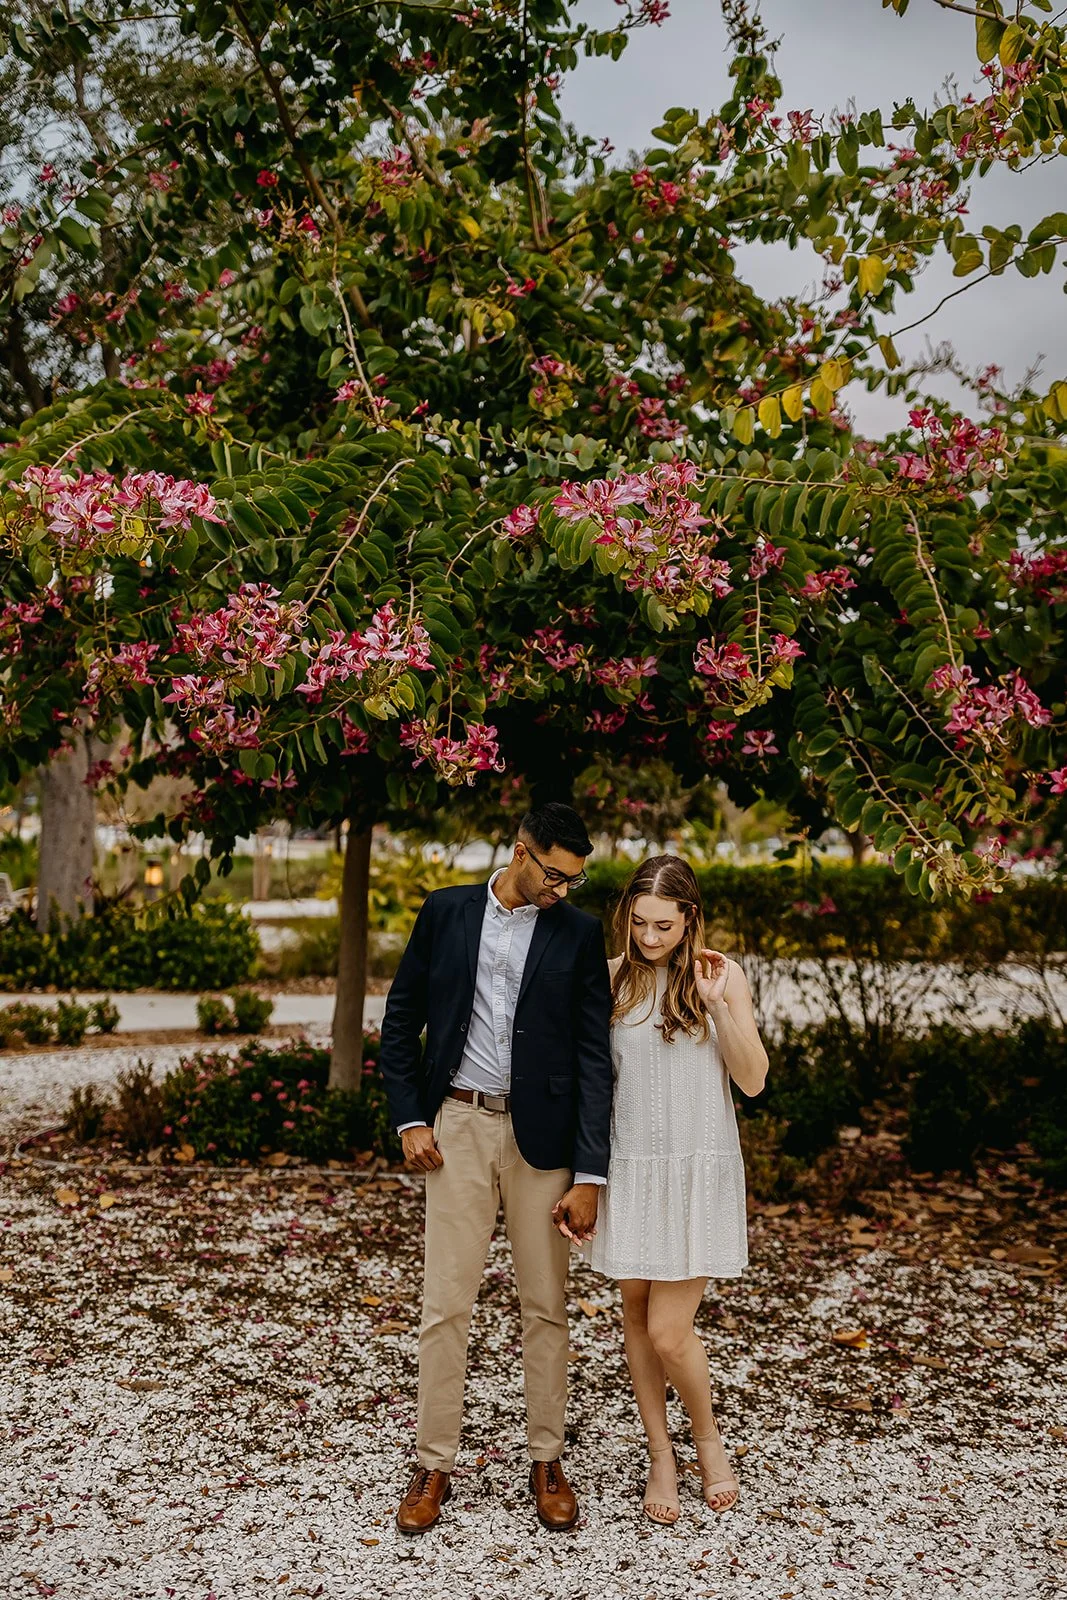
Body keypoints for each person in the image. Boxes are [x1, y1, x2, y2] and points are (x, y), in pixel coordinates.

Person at [378, 802, 613, 1535]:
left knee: (545, 1306)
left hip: (543, 1142)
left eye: (573, 880)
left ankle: (547, 1459)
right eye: (552, 874)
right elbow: (399, 1019)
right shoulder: (444, 913)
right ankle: (432, 1465)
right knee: (445, 1303)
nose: (561, 891)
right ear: (519, 851)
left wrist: (589, 1173)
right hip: (458, 1126)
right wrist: (411, 1117)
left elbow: (592, 1057)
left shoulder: (576, 933)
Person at [587, 855, 768, 1524]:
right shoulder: (610, 980)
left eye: (663, 924)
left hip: (696, 1169)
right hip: (630, 1168)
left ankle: (707, 1441)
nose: (650, 938)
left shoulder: (720, 977)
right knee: (635, 1316)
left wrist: (721, 1009)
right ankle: (660, 1454)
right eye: (638, 924)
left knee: (669, 1329)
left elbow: (751, 1080)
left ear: (690, 916)